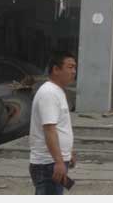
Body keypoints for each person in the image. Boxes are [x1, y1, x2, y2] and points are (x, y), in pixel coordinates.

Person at [29, 51, 77, 195]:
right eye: (70, 67)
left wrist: (68, 152)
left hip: (53, 161)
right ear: (56, 69)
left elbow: (61, 126)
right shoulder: (49, 93)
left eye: (75, 67)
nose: (74, 71)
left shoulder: (58, 91)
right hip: (48, 164)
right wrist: (59, 161)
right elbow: (49, 129)